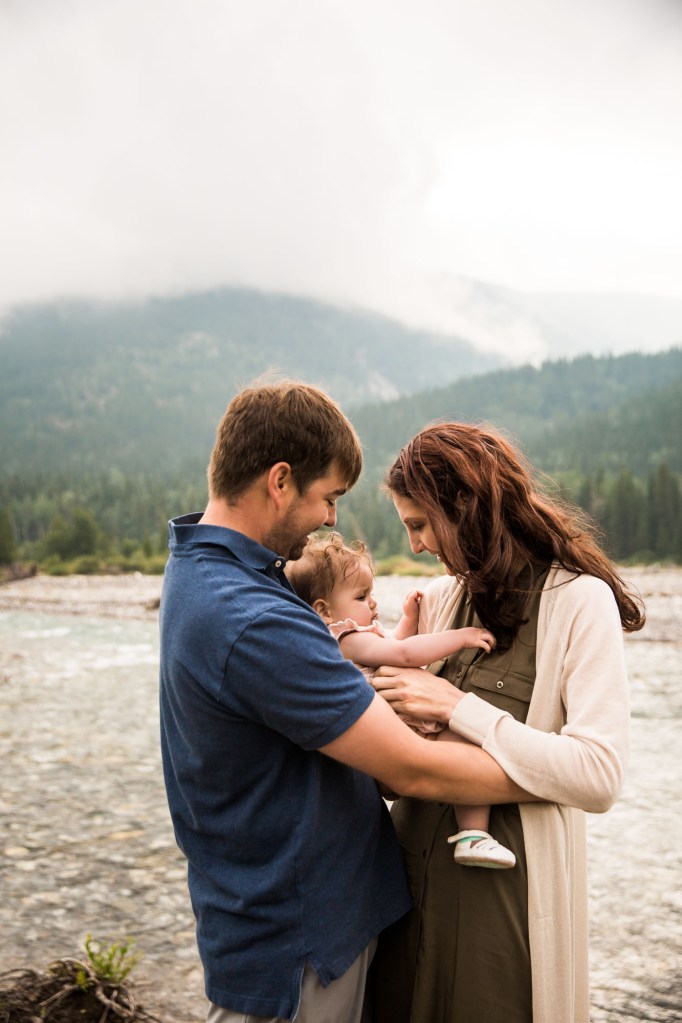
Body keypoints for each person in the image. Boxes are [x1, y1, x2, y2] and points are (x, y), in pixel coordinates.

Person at [159, 382, 533, 1023]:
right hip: (301, 945)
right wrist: (560, 773)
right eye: (328, 497)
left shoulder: (209, 570)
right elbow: (410, 768)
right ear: (280, 481)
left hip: (286, 924)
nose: (331, 519)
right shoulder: (252, 618)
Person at [364, 421, 645, 1023]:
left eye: (418, 524)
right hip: (399, 899)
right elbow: (392, 771)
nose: (414, 546)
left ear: (465, 507)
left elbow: (598, 775)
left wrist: (456, 708)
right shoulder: (440, 600)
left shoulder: (579, 601)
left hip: (505, 913)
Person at [286, 531, 516, 869]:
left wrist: (408, 618)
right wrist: (460, 637)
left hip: (390, 724)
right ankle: (473, 834)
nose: (373, 603)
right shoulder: (344, 638)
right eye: (362, 596)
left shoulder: (354, 637)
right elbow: (403, 653)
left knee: (461, 745)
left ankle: (471, 833)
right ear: (324, 610)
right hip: (396, 725)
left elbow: (393, 644)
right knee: (466, 746)